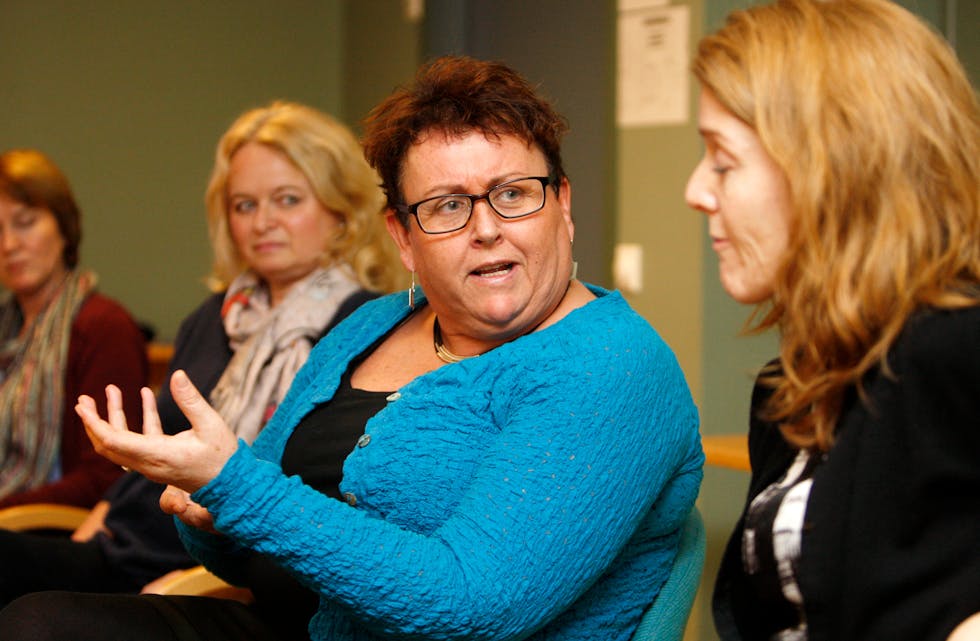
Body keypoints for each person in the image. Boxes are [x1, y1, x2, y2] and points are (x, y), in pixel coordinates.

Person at [0, 56, 703, 641]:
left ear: (565, 206)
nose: (487, 227)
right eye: (448, 206)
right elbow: (256, 532)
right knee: (35, 620)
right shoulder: (369, 327)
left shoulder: (608, 364)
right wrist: (211, 514)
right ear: (403, 236)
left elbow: (473, 602)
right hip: (290, 622)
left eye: (514, 193)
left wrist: (241, 489)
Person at [0, 101, 401, 612]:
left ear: (340, 209)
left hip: (212, 572)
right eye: (245, 205)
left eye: (287, 199)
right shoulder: (213, 317)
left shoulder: (362, 325)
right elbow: (154, 448)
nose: (264, 223)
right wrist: (103, 512)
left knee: (38, 618)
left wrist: (194, 579)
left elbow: (316, 502)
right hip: (124, 544)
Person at [684, 1, 980, 639]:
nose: (696, 189)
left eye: (724, 160)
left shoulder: (955, 347)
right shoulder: (791, 388)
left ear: (833, 170)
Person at [0, 149, 147, 509]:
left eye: (25, 222)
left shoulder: (104, 327)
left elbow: (107, 477)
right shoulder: (6, 328)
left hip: (57, 532)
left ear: (64, 228)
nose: (9, 245)